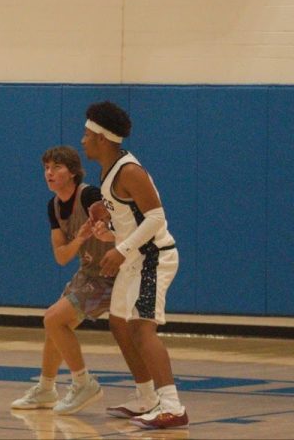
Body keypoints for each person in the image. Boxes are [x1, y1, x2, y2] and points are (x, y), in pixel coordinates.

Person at [82, 101, 188, 430]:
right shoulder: (109, 170)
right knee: (119, 324)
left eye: (86, 134)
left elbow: (157, 217)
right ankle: (146, 397)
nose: (82, 140)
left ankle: (172, 406)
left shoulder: (129, 171)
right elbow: (132, 219)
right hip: (135, 258)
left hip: (153, 258)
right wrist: (109, 230)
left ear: (102, 138)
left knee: (143, 329)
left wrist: (123, 248)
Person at [10, 146, 114, 416]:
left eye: (56, 167)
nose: (49, 173)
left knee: (53, 319)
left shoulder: (90, 195)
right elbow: (61, 256)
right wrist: (80, 238)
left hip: (112, 275)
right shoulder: (54, 206)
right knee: (55, 326)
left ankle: (83, 382)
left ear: (72, 172)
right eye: (46, 168)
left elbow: (122, 227)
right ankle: (46, 388)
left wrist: (105, 231)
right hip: (87, 273)